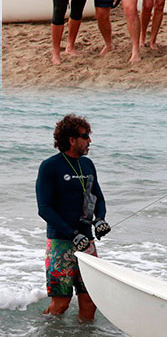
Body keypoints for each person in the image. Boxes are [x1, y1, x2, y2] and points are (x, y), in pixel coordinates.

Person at [36, 114, 110, 320]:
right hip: (61, 242)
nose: (90, 141)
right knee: (61, 303)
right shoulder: (50, 166)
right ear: (71, 140)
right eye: (85, 136)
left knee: (89, 300)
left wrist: (100, 219)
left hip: (87, 243)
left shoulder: (88, 165)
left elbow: (98, 198)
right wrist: (71, 233)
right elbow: (44, 208)